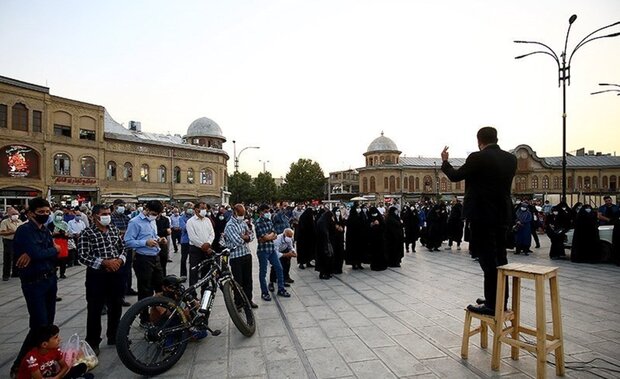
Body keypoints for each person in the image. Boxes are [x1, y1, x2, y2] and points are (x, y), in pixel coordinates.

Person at [441, 126, 517, 316]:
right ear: (496, 138)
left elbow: (455, 176)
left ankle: (492, 304)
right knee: (501, 258)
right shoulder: (511, 159)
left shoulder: (478, 157)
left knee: (487, 259)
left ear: (479, 140)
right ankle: (500, 299)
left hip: (483, 216)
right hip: (502, 215)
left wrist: (445, 162)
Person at [10, 197, 61, 378]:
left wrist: (46, 252)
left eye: (47, 212)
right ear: (31, 213)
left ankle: (40, 361)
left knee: (47, 326)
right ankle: (20, 364)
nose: (45, 215)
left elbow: (49, 254)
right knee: (39, 326)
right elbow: (40, 252)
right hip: (34, 283)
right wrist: (51, 250)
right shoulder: (24, 231)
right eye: (41, 213)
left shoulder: (45, 230)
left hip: (50, 280)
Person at [77, 204, 127, 355]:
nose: (107, 216)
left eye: (108, 213)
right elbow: (83, 255)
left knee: (116, 305)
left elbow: (123, 247)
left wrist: (120, 260)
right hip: (97, 274)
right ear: (94, 216)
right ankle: (93, 341)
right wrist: (104, 263)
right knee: (95, 308)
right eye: (103, 214)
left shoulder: (113, 229)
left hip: (116, 271)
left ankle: (114, 335)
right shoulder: (87, 233)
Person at [16, 324, 93, 379]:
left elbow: (65, 367)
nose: (59, 339)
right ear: (44, 344)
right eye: (55, 338)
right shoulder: (32, 358)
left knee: (82, 366)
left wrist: (57, 377)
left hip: (53, 376)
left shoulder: (55, 349)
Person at [124, 200, 164, 303]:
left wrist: (159, 239)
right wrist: (145, 243)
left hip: (155, 256)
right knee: (145, 289)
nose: (155, 216)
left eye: (158, 215)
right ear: (146, 210)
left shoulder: (152, 220)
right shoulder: (135, 222)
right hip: (143, 259)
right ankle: (144, 316)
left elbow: (152, 236)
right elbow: (128, 241)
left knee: (161, 286)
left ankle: (157, 312)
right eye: (154, 214)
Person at [224, 204, 258, 308]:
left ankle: (248, 300)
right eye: (241, 213)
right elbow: (237, 241)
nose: (242, 215)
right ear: (235, 212)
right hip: (236, 257)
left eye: (244, 213)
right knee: (238, 281)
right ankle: (238, 302)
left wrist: (246, 237)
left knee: (248, 280)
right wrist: (245, 237)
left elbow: (252, 235)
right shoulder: (230, 226)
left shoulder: (243, 223)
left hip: (246, 254)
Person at [255, 204, 290, 300]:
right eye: (266, 211)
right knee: (263, 272)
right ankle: (264, 292)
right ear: (261, 212)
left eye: (268, 211)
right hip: (263, 250)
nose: (268, 213)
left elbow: (274, 234)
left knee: (279, 268)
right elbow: (265, 237)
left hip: (271, 249)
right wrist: (268, 237)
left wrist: (267, 237)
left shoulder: (269, 221)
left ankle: (281, 289)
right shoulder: (258, 223)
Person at [185, 202, 215, 287]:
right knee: (194, 272)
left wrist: (208, 243)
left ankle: (204, 292)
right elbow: (192, 237)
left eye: (205, 208)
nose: (204, 210)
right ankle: (192, 296)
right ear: (196, 209)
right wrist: (202, 245)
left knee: (206, 273)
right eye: (202, 208)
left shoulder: (207, 220)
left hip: (207, 249)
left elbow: (212, 233)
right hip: (196, 249)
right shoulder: (190, 222)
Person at [1, 207, 23, 281]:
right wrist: (12, 232)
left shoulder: (19, 221)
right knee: (8, 257)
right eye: (13, 214)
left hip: (17, 241)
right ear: (9, 215)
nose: (15, 215)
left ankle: (15, 273)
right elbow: (2, 232)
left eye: (16, 214)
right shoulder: (5, 222)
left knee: (16, 256)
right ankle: (6, 275)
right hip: (8, 240)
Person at [48, 210, 71, 279]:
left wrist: (66, 234)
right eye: (58, 215)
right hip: (55, 242)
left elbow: (68, 233)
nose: (59, 217)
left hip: (63, 242)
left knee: (63, 259)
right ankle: (54, 274)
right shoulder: (51, 224)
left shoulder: (64, 224)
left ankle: (62, 273)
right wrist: (54, 234)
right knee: (55, 259)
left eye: (61, 215)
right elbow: (48, 234)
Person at [345, 203, 366, 269]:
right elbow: (350, 226)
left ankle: (359, 263)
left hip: (361, 237)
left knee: (360, 250)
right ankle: (354, 264)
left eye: (359, 208)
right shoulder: (352, 217)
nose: (358, 209)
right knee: (354, 251)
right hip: (353, 238)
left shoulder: (362, 215)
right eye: (357, 208)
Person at [368, 206, 388, 271]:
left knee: (381, 252)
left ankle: (382, 264)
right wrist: (371, 224)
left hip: (380, 238)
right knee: (374, 253)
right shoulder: (369, 218)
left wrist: (379, 224)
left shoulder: (380, 218)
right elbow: (366, 227)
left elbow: (384, 227)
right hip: (373, 239)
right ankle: (374, 265)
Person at [178, 202, 194, 277]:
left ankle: (193, 274)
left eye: (191, 208)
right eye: (188, 208)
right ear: (184, 209)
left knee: (193, 259)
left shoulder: (195, 217)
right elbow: (184, 228)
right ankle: (183, 274)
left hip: (193, 241)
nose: (190, 210)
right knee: (183, 259)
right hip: (185, 241)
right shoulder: (181, 218)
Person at [331, 207, 346, 274]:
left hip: (340, 239)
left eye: (339, 211)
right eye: (336, 211)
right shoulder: (332, 220)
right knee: (335, 254)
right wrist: (335, 227)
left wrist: (341, 228)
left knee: (340, 254)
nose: (338, 212)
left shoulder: (341, 219)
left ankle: (339, 268)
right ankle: (334, 268)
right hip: (334, 240)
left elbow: (343, 228)